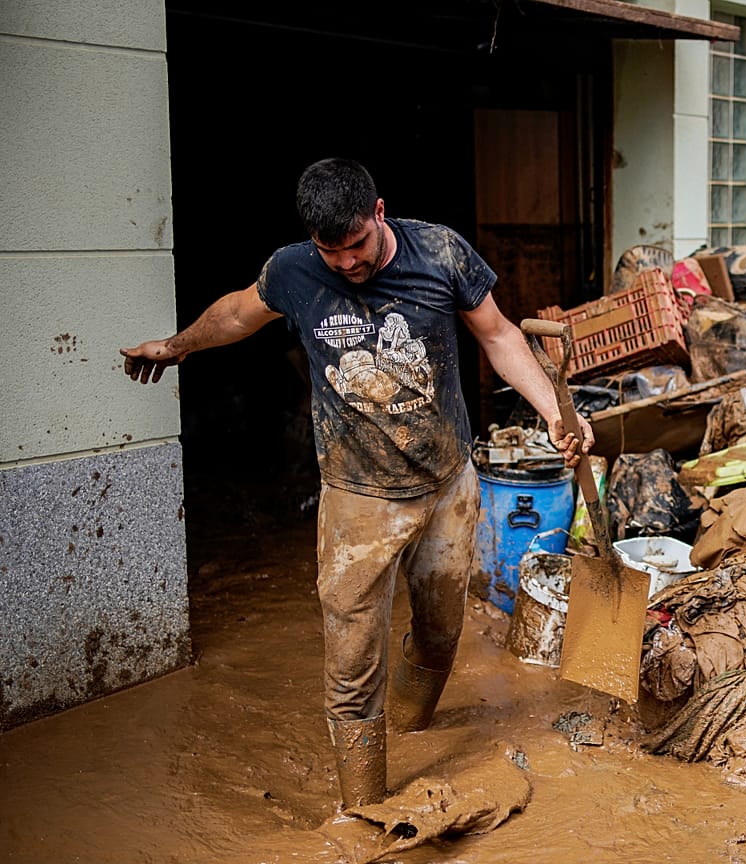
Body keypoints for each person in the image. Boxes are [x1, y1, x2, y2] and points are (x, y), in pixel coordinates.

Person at [120, 158, 592, 810]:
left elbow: (500, 336)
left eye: (357, 246)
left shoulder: (439, 251)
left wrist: (550, 409)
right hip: (356, 500)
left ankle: (414, 730)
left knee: (439, 630)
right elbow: (235, 314)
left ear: (379, 212)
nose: (346, 263)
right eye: (331, 252)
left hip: (448, 485)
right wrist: (175, 348)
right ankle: (363, 812)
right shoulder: (292, 269)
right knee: (350, 667)